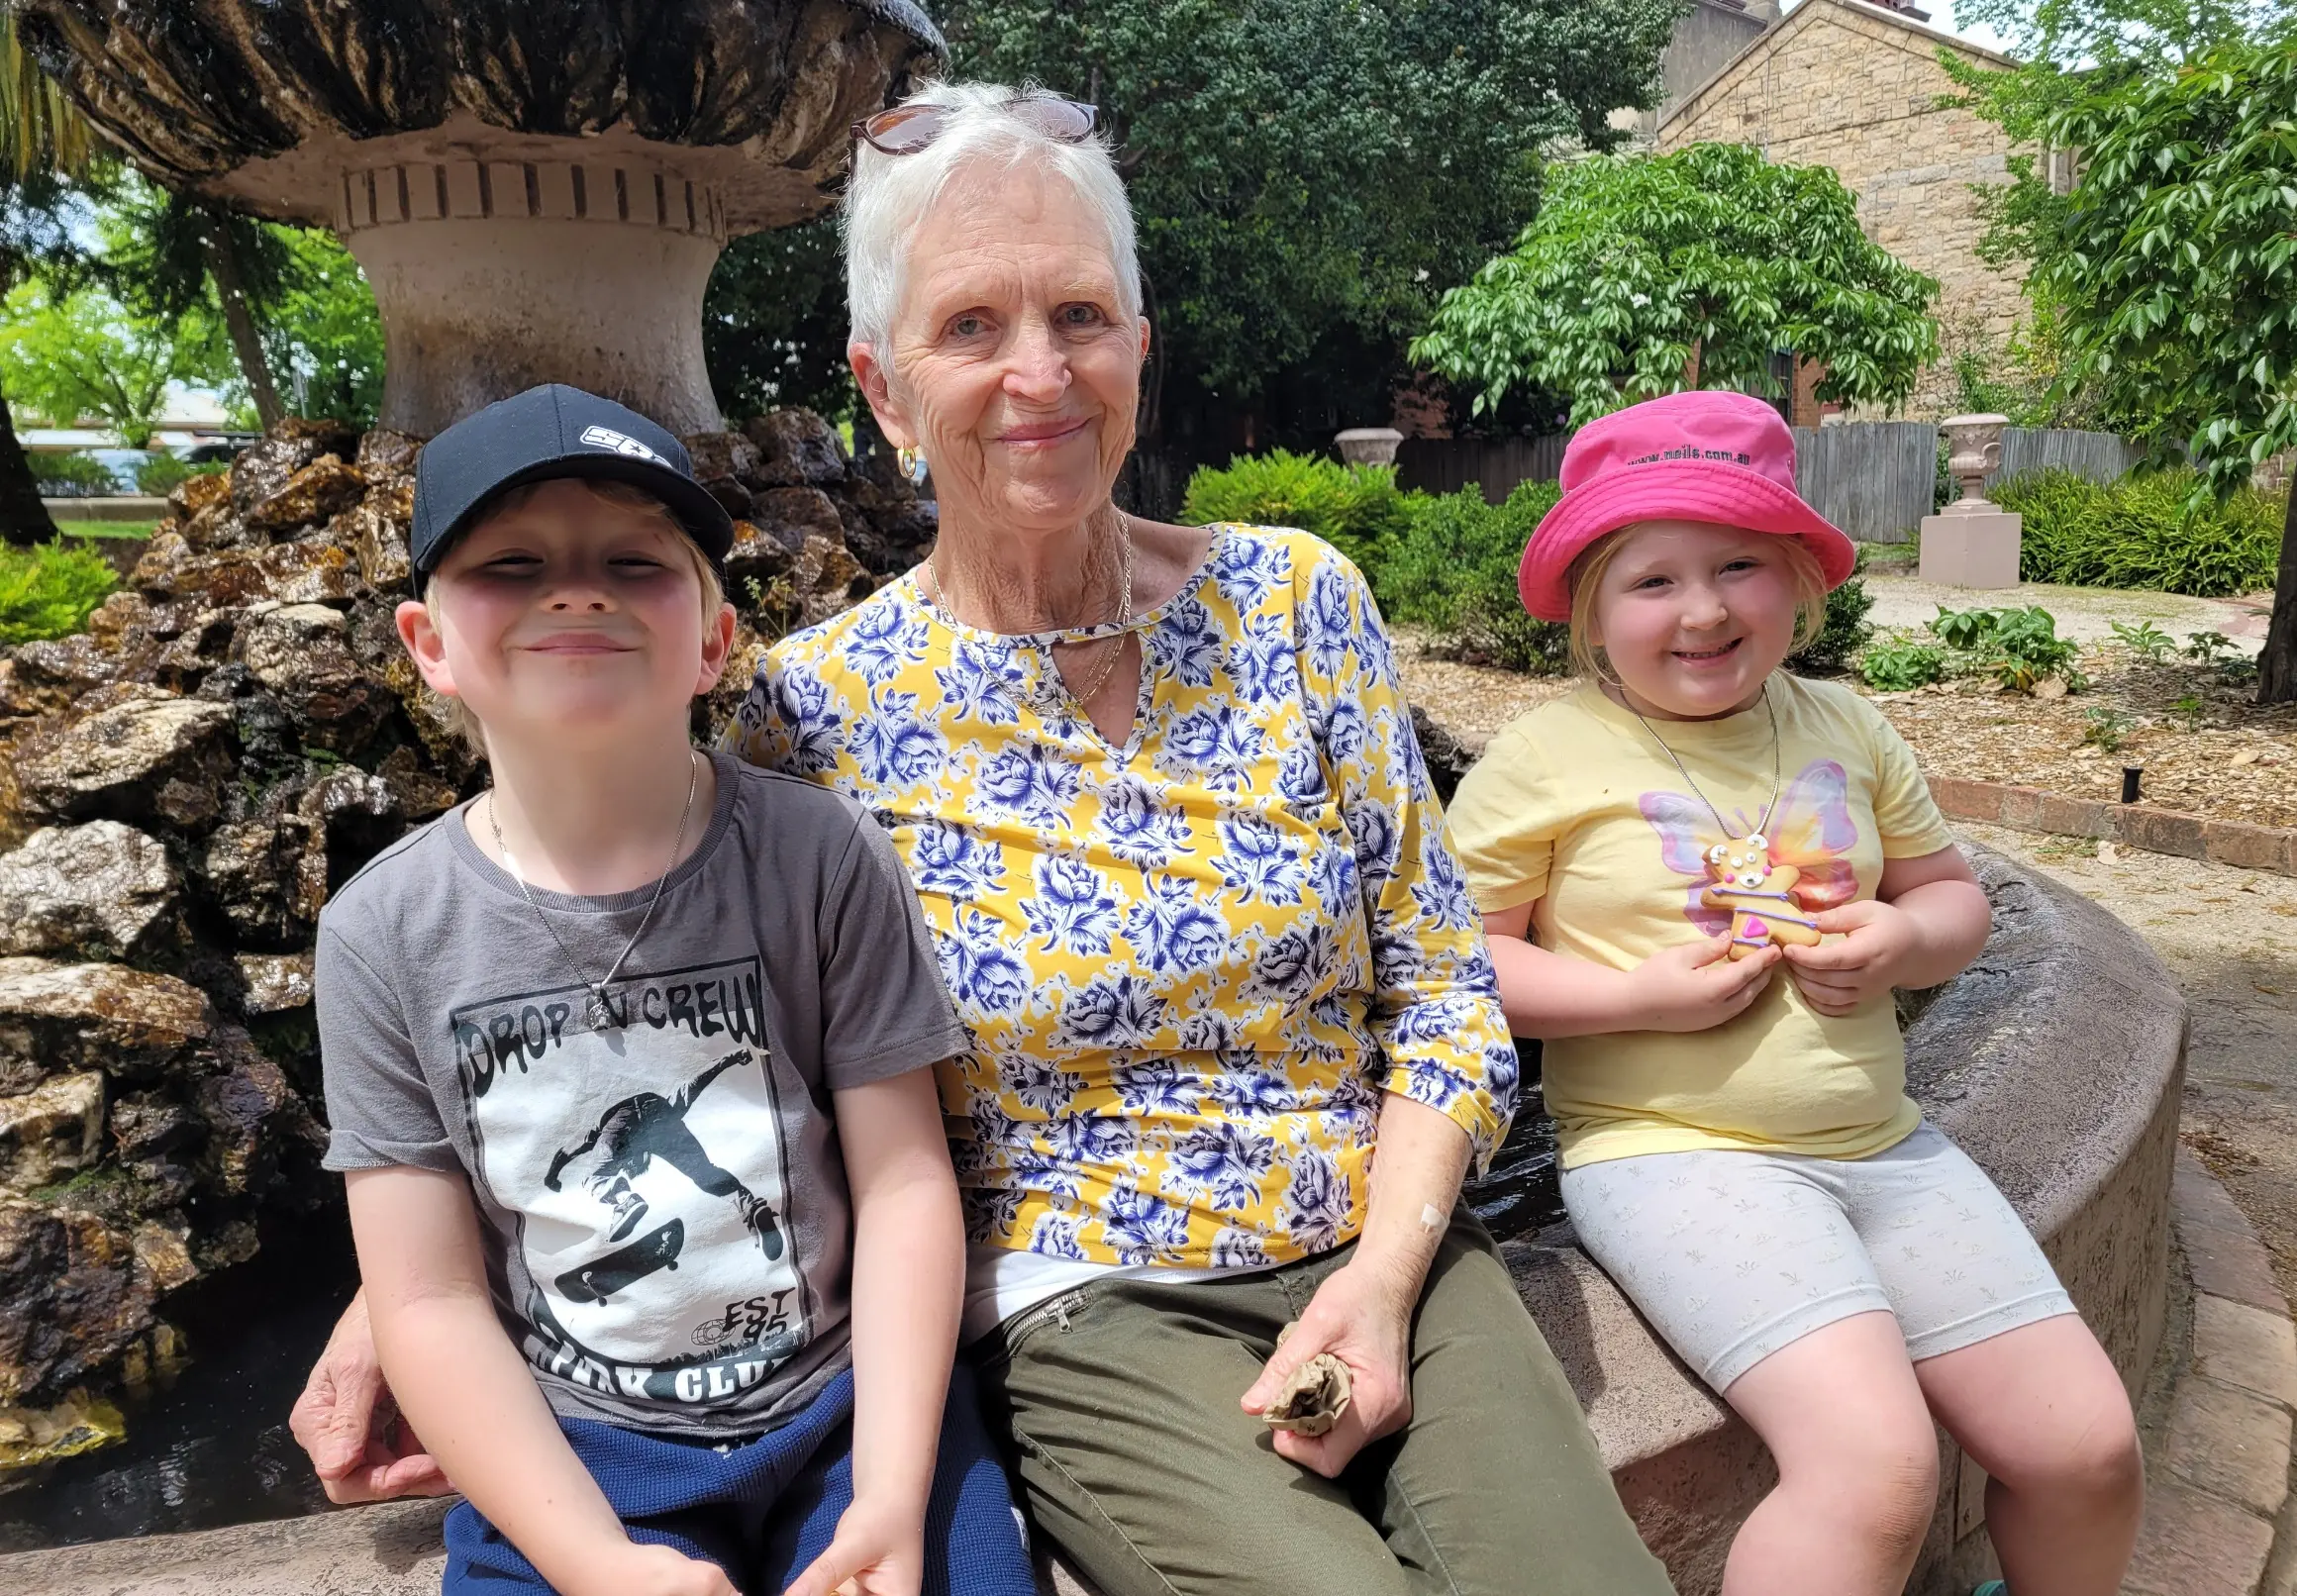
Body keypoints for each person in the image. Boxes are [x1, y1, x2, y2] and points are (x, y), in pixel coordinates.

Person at [293, 83, 1675, 1596]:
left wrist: (1386, 1270)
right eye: (970, 328)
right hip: (1073, 1295)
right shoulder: (804, 712)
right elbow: (599, 970)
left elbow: (1440, 988)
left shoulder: (1296, 600)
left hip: (1380, 1232)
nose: (1039, 372)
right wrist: (405, 1284)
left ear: (1139, 351)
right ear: (881, 390)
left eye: (1079, 312)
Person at [314, 383, 1039, 1596]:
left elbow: (906, 1181)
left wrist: (892, 1494)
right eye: (512, 561)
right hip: (574, 1449)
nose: (577, 588)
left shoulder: (818, 856)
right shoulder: (380, 932)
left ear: (714, 638)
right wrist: (593, 1561)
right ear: (428, 644)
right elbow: (429, 1298)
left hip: (847, 1410)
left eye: (633, 559)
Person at [1444, 390, 2147, 1596]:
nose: (1704, 609)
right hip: (1674, 1155)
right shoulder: (1540, 760)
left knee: (2086, 1449)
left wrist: (1895, 938)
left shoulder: (1847, 725)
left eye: (1738, 567)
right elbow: (1462, 971)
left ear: (1798, 583)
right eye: (1652, 581)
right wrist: (1636, 998)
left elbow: (1953, 905)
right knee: (1871, 1471)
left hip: (1884, 1145)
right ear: (1592, 609)